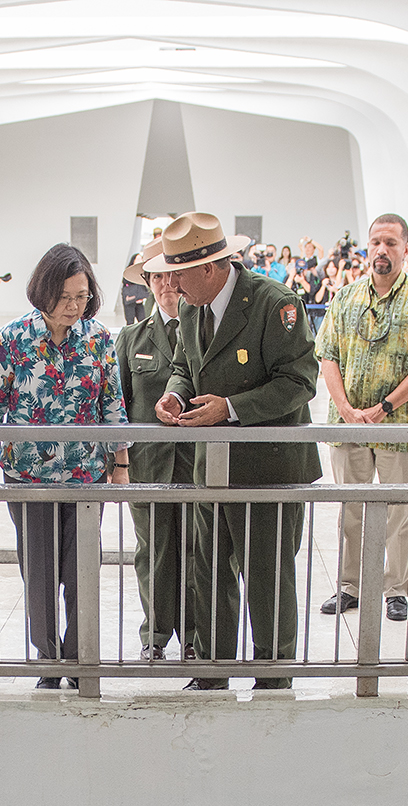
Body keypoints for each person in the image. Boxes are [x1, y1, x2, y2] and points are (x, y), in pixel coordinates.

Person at [150, 211, 319, 690]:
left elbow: (298, 381)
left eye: (178, 274)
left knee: (266, 575)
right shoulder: (190, 309)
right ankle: (213, 668)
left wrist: (230, 408)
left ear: (209, 268)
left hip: (269, 468)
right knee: (209, 570)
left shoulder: (274, 304)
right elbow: (186, 364)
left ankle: (272, 671)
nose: (173, 286)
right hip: (214, 466)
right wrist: (175, 394)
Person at [0, 243, 128, 686]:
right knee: (39, 572)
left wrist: (121, 464)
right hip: (28, 476)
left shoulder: (98, 338)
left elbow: (111, 403)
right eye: (65, 298)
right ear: (43, 292)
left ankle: (79, 659)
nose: (73, 307)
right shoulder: (13, 338)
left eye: (81, 297)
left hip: (86, 475)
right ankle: (47, 658)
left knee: (82, 572)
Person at [316, 212, 408, 624]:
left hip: (398, 423)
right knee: (350, 511)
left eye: (391, 243)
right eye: (375, 243)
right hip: (348, 424)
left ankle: (396, 589)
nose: (381, 251)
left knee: (398, 511)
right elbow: (328, 356)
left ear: (407, 249)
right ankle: (349, 585)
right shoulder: (344, 297)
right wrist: (348, 409)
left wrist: (382, 408)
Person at [117, 241, 200, 662]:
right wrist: (120, 462)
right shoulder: (132, 339)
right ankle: (154, 634)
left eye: (173, 273)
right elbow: (119, 405)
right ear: (147, 284)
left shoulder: (203, 331)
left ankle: (192, 633)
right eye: (158, 276)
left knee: (193, 549)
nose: (167, 283)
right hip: (148, 464)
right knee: (152, 551)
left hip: (194, 463)